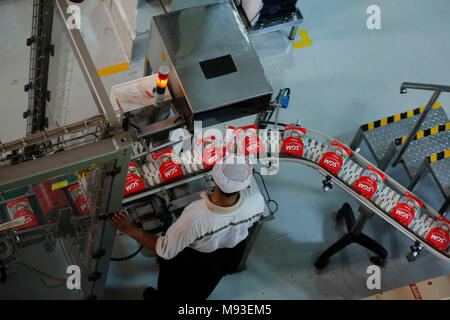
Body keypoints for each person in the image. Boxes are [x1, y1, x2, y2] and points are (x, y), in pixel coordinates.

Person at [110, 154, 265, 300]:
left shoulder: (196, 215)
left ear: (214, 178)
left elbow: (166, 249)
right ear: (245, 183)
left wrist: (131, 230)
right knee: (201, 289)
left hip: (193, 262)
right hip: (227, 256)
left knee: (170, 292)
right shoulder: (256, 200)